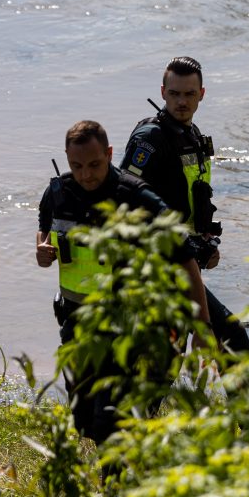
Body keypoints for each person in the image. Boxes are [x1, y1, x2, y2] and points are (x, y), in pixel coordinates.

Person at [36, 120, 210, 445]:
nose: (86, 174)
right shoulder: (58, 193)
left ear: (110, 154)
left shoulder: (136, 197)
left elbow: (185, 256)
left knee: (108, 419)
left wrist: (202, 326)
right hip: (78, 323)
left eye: (94, 165)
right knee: (83, 419)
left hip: (128, 325)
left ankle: (114, 487)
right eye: (77, 166)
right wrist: (42, 249)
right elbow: (46, 226)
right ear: (66, 159)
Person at [121, 56, 249, 353]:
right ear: (163, 92)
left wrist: (204, 241)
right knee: (230, 337)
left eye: (189, 94)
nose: (182, 101)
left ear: (201, 95)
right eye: (175, 93)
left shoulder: (191, 136)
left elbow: (192, 200)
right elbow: (124, 199)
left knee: (172, 356)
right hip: (158, 266)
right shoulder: (150, 138)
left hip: (185, 261)